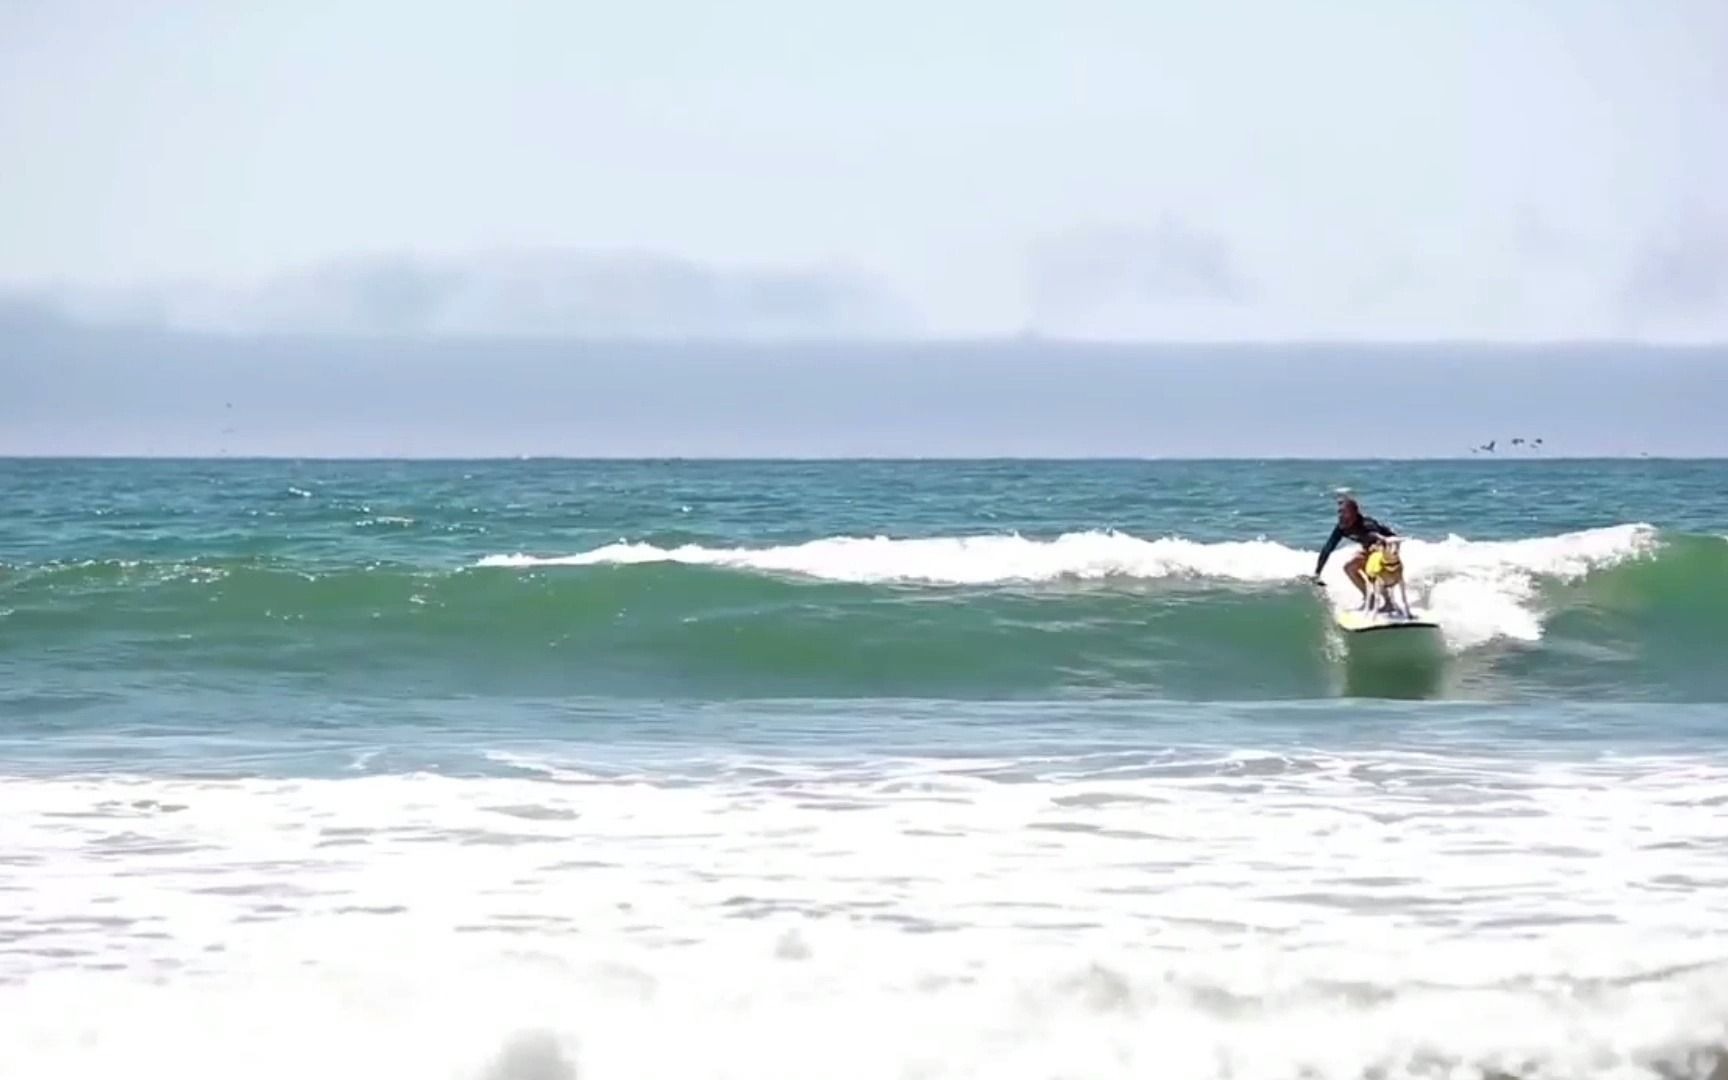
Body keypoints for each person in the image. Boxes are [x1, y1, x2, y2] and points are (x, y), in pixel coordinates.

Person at [1313, 488, 1396, 601]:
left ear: (1355, 513)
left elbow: (1378, 537)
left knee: (1372, 567)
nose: (1341, 516)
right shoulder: (1342, 528)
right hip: (1371, 550)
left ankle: (1388, 602)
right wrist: (1317, 573)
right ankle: (1368, 597)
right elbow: (1328, 548)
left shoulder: (1366, 524)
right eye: (1340, 512)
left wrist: (1378, 544)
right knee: (1349, 567)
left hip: (1389, 550)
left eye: (1344, 512)